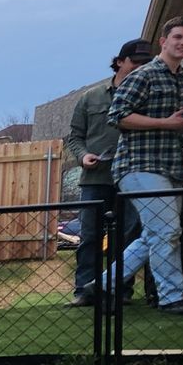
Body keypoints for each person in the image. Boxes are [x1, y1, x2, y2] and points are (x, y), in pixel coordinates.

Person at [104, 16, 183, 314]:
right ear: (164, 41)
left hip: (171, 168)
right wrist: (166, 123)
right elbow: (118, 116)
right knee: (167, 231)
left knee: (156, 234)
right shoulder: (143, 76)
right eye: (177, 37)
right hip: (138, 166)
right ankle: (171, 297)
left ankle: (100, 286)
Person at [64, 38, 155, 305]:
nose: (140, 68)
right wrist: (83, 156)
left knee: (128, 236)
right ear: (119, 62)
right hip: (95, 178)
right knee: (90, 236)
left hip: (134, 177)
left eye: (145, 63)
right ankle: (84, 291)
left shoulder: (148, 95)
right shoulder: (90, 98)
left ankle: (118, 290)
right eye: (135, 62)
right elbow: (74, 137)